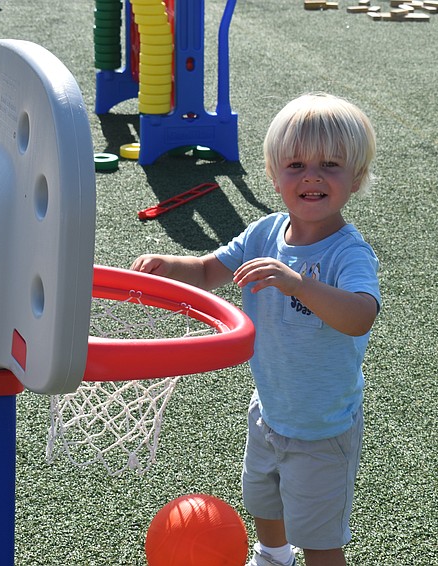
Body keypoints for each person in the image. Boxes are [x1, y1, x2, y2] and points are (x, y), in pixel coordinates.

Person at [132, 93, 380, 566]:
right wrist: (170, 265)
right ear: (272, 174)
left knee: (320, 539)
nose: (311, 175)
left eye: (330, 164)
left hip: (322, 427)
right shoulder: (264, 233)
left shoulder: (348, 253)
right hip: (269, 410)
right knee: (264, 501)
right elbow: (208, 270)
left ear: (357, 177)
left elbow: (360, 315)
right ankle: (272, 555)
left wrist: (297, 284)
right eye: (295, 164)